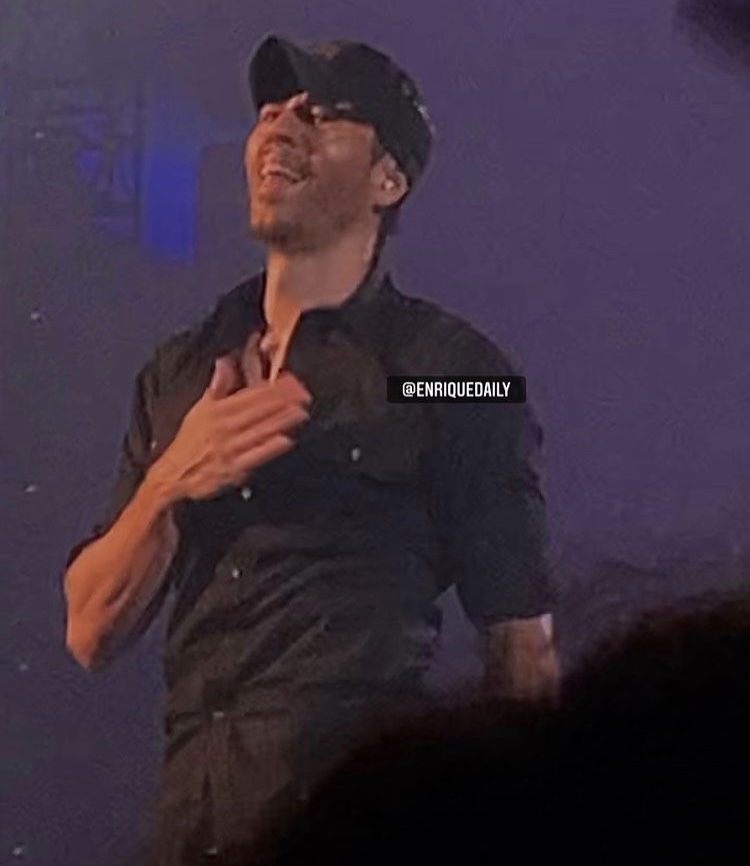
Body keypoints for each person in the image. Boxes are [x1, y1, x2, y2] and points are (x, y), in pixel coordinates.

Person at [62, 34, 558, 866]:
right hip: (193, 820)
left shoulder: (452, 371)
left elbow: (521, 642)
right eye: (270, 111)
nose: (280, 126)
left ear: (388, 179)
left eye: (322, 113)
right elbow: (88, 631)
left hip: (355, 818)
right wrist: (173, 479)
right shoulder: (182, 369)